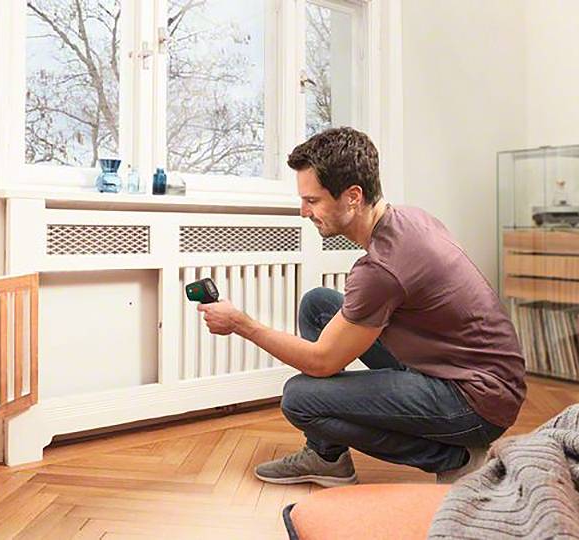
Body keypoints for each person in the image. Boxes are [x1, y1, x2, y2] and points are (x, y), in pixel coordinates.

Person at [197, 127, 526, 486]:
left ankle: (455, 456)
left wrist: (243, 324)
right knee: (318, 305)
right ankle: (328, 457)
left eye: (313, 200)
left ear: (353, 196)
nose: (303, 211)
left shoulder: (382, 268)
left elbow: (321, 362)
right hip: (462, 373)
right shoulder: (410, 219)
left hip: (475, 402)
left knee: (299, 398)